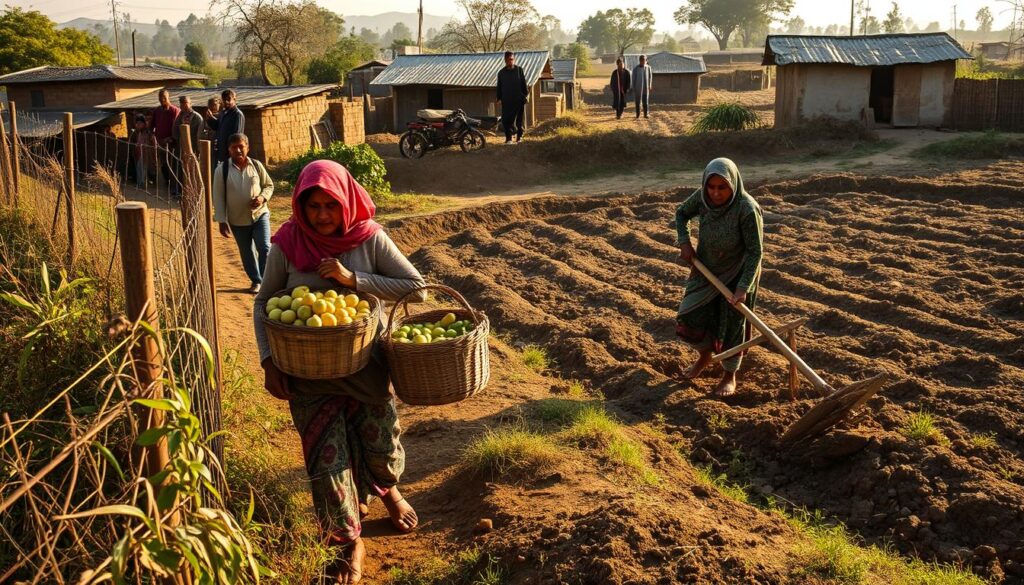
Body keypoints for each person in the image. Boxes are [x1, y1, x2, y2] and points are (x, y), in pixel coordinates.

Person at [253, 159, 424, 584]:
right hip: (307, 373)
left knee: (380, 449)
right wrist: (267, 359)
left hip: (366, 367)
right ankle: (348, 542)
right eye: (313, 206)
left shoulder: (368, 238)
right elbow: (264, 302)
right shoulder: (288, 242)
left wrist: (354, 279)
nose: (323, 215)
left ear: (346, 200)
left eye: (330, 204)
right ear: (300, 207)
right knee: (327, 463)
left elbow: (416, 288)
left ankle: (388, 491)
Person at [675, 158, 763, 397]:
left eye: (722, 188)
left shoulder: (746, 209)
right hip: (706, 268)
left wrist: (743, 288)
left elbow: (756, 252)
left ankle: (729, 375)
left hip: (738, 272)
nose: (715, 193)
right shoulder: (702, 199)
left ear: (733, 185)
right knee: (691, 314)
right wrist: (684, 241)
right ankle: (705, 356)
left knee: (732, 324)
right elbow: (681, 213)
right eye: (711, 187)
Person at [212, 133, 274, 294]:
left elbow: (269, 185)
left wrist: (262, 198)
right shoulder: (222, 170)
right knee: (247, 252)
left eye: (241, 146)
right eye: (234, 147)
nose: (238, 150)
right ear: (229, 150)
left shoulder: (256, 165)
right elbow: (218, 197)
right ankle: (256, 281)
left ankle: (267, 281)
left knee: (265, 246)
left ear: (248, 147)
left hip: (260, 215)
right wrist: (221, 221)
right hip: (237, 220)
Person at [150, 88, 181, 195]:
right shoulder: (157, 111)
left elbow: (177, 127)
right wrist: (153, 136)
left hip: (172, 143)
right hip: (160, 142)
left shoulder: (175, 110)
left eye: (164, 97)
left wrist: (171, 138)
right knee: (163, 164)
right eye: (160, 97)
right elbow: (151, 125)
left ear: (168, 98)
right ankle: (167, 182)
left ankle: (174, 186)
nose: (162, 99)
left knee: (172, 164)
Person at [496, 50, 529, 144]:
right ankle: (509, 138)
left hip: (519, 99)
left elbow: (524, 83)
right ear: (505, 60)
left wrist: (526, 95)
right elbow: (499, 86)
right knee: (506, 120)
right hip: (507, 100)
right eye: (509, 59)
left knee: (519, 120)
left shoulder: (519, 70)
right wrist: (499, 98)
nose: (511, 61)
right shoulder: (501, 73)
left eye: (512, 59)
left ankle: (519, 137)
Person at [205, 88, 244, 165]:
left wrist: (232, 152)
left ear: (234, 99)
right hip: (221, 152)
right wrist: (210, 118)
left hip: (231, 154)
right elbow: (217, 127)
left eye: (229, 99)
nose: (226, 102)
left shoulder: (237, 114)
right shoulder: (223, 113)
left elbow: (236, 136)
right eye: (224, 99)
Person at [131, 114, 156, 189]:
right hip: (138, 152)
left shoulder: (149, 133)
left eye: (140, 124)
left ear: (144, 124)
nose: (138, 125)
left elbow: (153, 143)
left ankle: (143, 183)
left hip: (146, 152)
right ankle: (140, 183)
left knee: (145, 168)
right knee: (139, 167)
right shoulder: (136, 133)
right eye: (137, 124)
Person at [632, 54, 653, 119]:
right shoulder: (635, 69)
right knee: (638, 102)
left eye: (644, 60)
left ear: (646, 61)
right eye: (642, 60)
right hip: (638, 88)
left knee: (645, 101)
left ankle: (646, 114)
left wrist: (650, 85)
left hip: (646, 88)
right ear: (639, 61)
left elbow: (650, 77)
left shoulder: (648, 67)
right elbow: (633, 78)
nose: (643, 62)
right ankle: (638, 115)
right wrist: (633, 87)